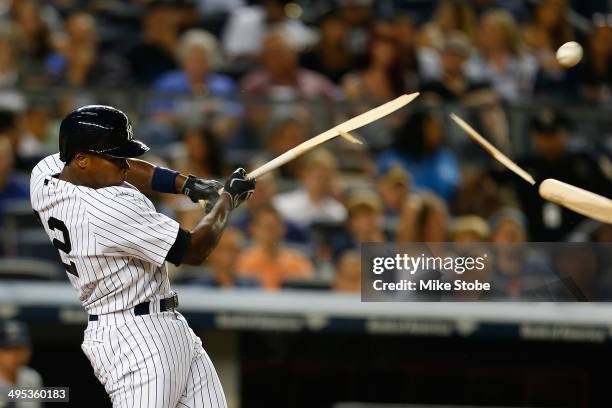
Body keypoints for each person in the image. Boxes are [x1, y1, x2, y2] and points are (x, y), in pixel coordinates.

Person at [30, 105, 256, 407]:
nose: (124, 164)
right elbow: (193, 250)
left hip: (164, 325)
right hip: (134, 337)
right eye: (115, 157)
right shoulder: (106, 210)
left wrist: (188, 185)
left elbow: (133, 169)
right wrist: (227, 201)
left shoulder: (46, 175)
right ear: (82, 160)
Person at [236, 203, 314, 289]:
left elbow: (306, 293)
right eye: (266, 228)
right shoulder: (242, 262)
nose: (270, 233)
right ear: (253, 230)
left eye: (274, 227)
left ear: (283, 229)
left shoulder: (298, 262)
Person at [0, 320, 43, 408]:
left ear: (28, 351)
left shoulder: (32, 378)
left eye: (19, 348)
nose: (14, 355)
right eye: (8, 349)